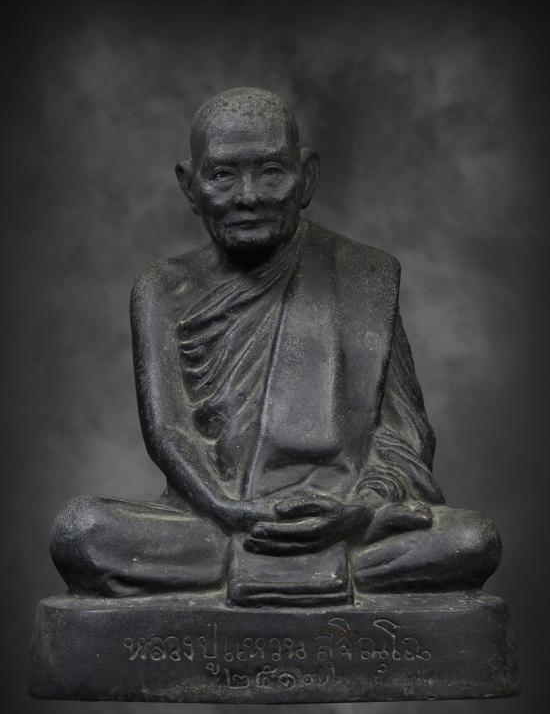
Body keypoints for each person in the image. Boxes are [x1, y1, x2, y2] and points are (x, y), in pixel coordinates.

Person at [51, 88, 501, 604]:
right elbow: (168, 432)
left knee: (472, 541)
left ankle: (266, 568)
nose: (248, 196)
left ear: (306, 177)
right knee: (82, 530)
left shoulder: (363, 276)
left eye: (270, 172)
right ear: (190, 186)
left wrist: (360, 510)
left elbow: (403, 438)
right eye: (222, 175)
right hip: (214, 520)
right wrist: (231, 511)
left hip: (342, 520)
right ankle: (293, 569)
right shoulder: (162, 290)